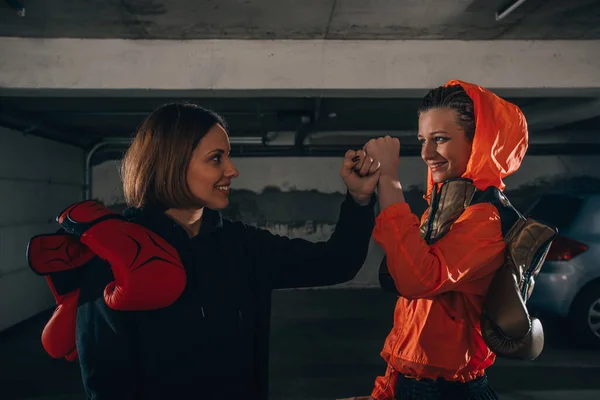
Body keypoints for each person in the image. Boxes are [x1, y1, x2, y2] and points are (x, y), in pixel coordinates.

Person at [63, 103, 380, 399]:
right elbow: (106, 384)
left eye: (228, 156)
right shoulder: (116, 254)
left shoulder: (242, 245)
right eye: (216, 158)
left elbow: (337, 262)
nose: (232, 170)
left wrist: (359, 200)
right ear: (172, 163)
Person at [341, 80, 529, 400]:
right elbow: (415, 331)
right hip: (414, 386)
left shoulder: (485, 219)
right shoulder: (443, 209)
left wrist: (389, 180)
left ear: (480, 142)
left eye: (439, 139)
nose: (427, 153)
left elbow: (419, 280)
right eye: (423, 140)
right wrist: (385, 393)